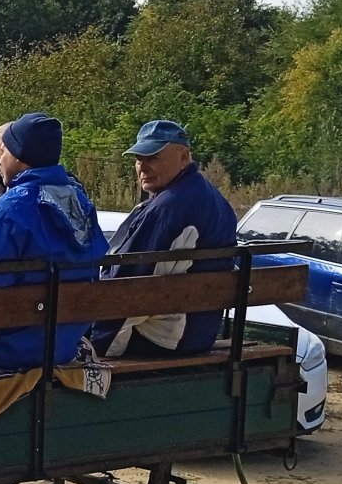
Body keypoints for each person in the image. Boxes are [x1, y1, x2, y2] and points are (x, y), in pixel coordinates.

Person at [88, 119, 239, 359]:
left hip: (164, 339)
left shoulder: (170, 207)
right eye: (139, 159)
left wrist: (98, 347)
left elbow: (128, 286)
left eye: (153, 158)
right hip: (199, 333)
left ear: (183, 156)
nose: (143, 167)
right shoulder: (210, 197)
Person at [0, 112, 108, 370]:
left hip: (8, 350)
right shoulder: (81, 202)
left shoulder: (8, 209)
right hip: (64, 344)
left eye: (3, 152)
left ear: (18, 156)